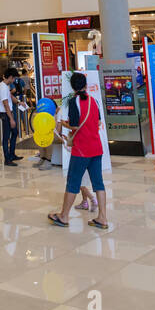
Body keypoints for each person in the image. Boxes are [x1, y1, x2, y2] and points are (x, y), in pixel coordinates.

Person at [48, 72, 109, 229]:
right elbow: (97, 122)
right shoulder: (94, 101)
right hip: (96, 148)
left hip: (81, 150)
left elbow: (75, 126)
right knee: (98, 183)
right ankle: (102, 218)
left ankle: (64, 216)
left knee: (72, 183)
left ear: (72, 87)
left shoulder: (73, 101)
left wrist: (66, 125)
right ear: (86, 85)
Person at [0, 68, 20, 165]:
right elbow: (5, 104)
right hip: (5, 114)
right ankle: (7, 159)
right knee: (6, 137)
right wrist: (11, 119)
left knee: (15, 133)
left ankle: (12, 154)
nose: (14, 80)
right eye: (14, 78)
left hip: (8, 112)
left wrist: (19, 102)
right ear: (10, 77)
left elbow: (10, 97)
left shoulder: (6, 86)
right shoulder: (2, 87)